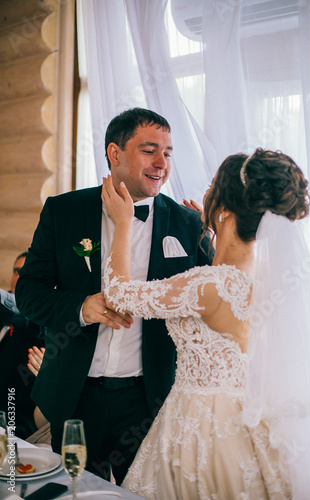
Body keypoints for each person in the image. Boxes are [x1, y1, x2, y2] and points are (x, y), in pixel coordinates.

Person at [102, 148, 310, 499]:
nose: (206, 193)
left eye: (212, 187)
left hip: (203, 427)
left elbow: (119, 293)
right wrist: (215, 240)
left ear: (224, 210)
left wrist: (122, 222)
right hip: (248, 419)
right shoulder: (270, 280)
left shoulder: (208, 286)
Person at [15, 107, 213, 484]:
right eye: (149, 150)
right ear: (115, 153)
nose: (161, 163)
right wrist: (81, 307)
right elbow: (27, 293)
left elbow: (210, 305)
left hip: (149, 400)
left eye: (168, 153)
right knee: (73, 491)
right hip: (75, 395)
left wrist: (213, 243)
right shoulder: (64, 211)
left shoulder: (188, 225)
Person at [0, 252, 45, 439]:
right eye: (17, 271)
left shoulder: (42, 324)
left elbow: (26, 311)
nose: (19, 278)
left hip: (18, 429)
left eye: (26, 273)